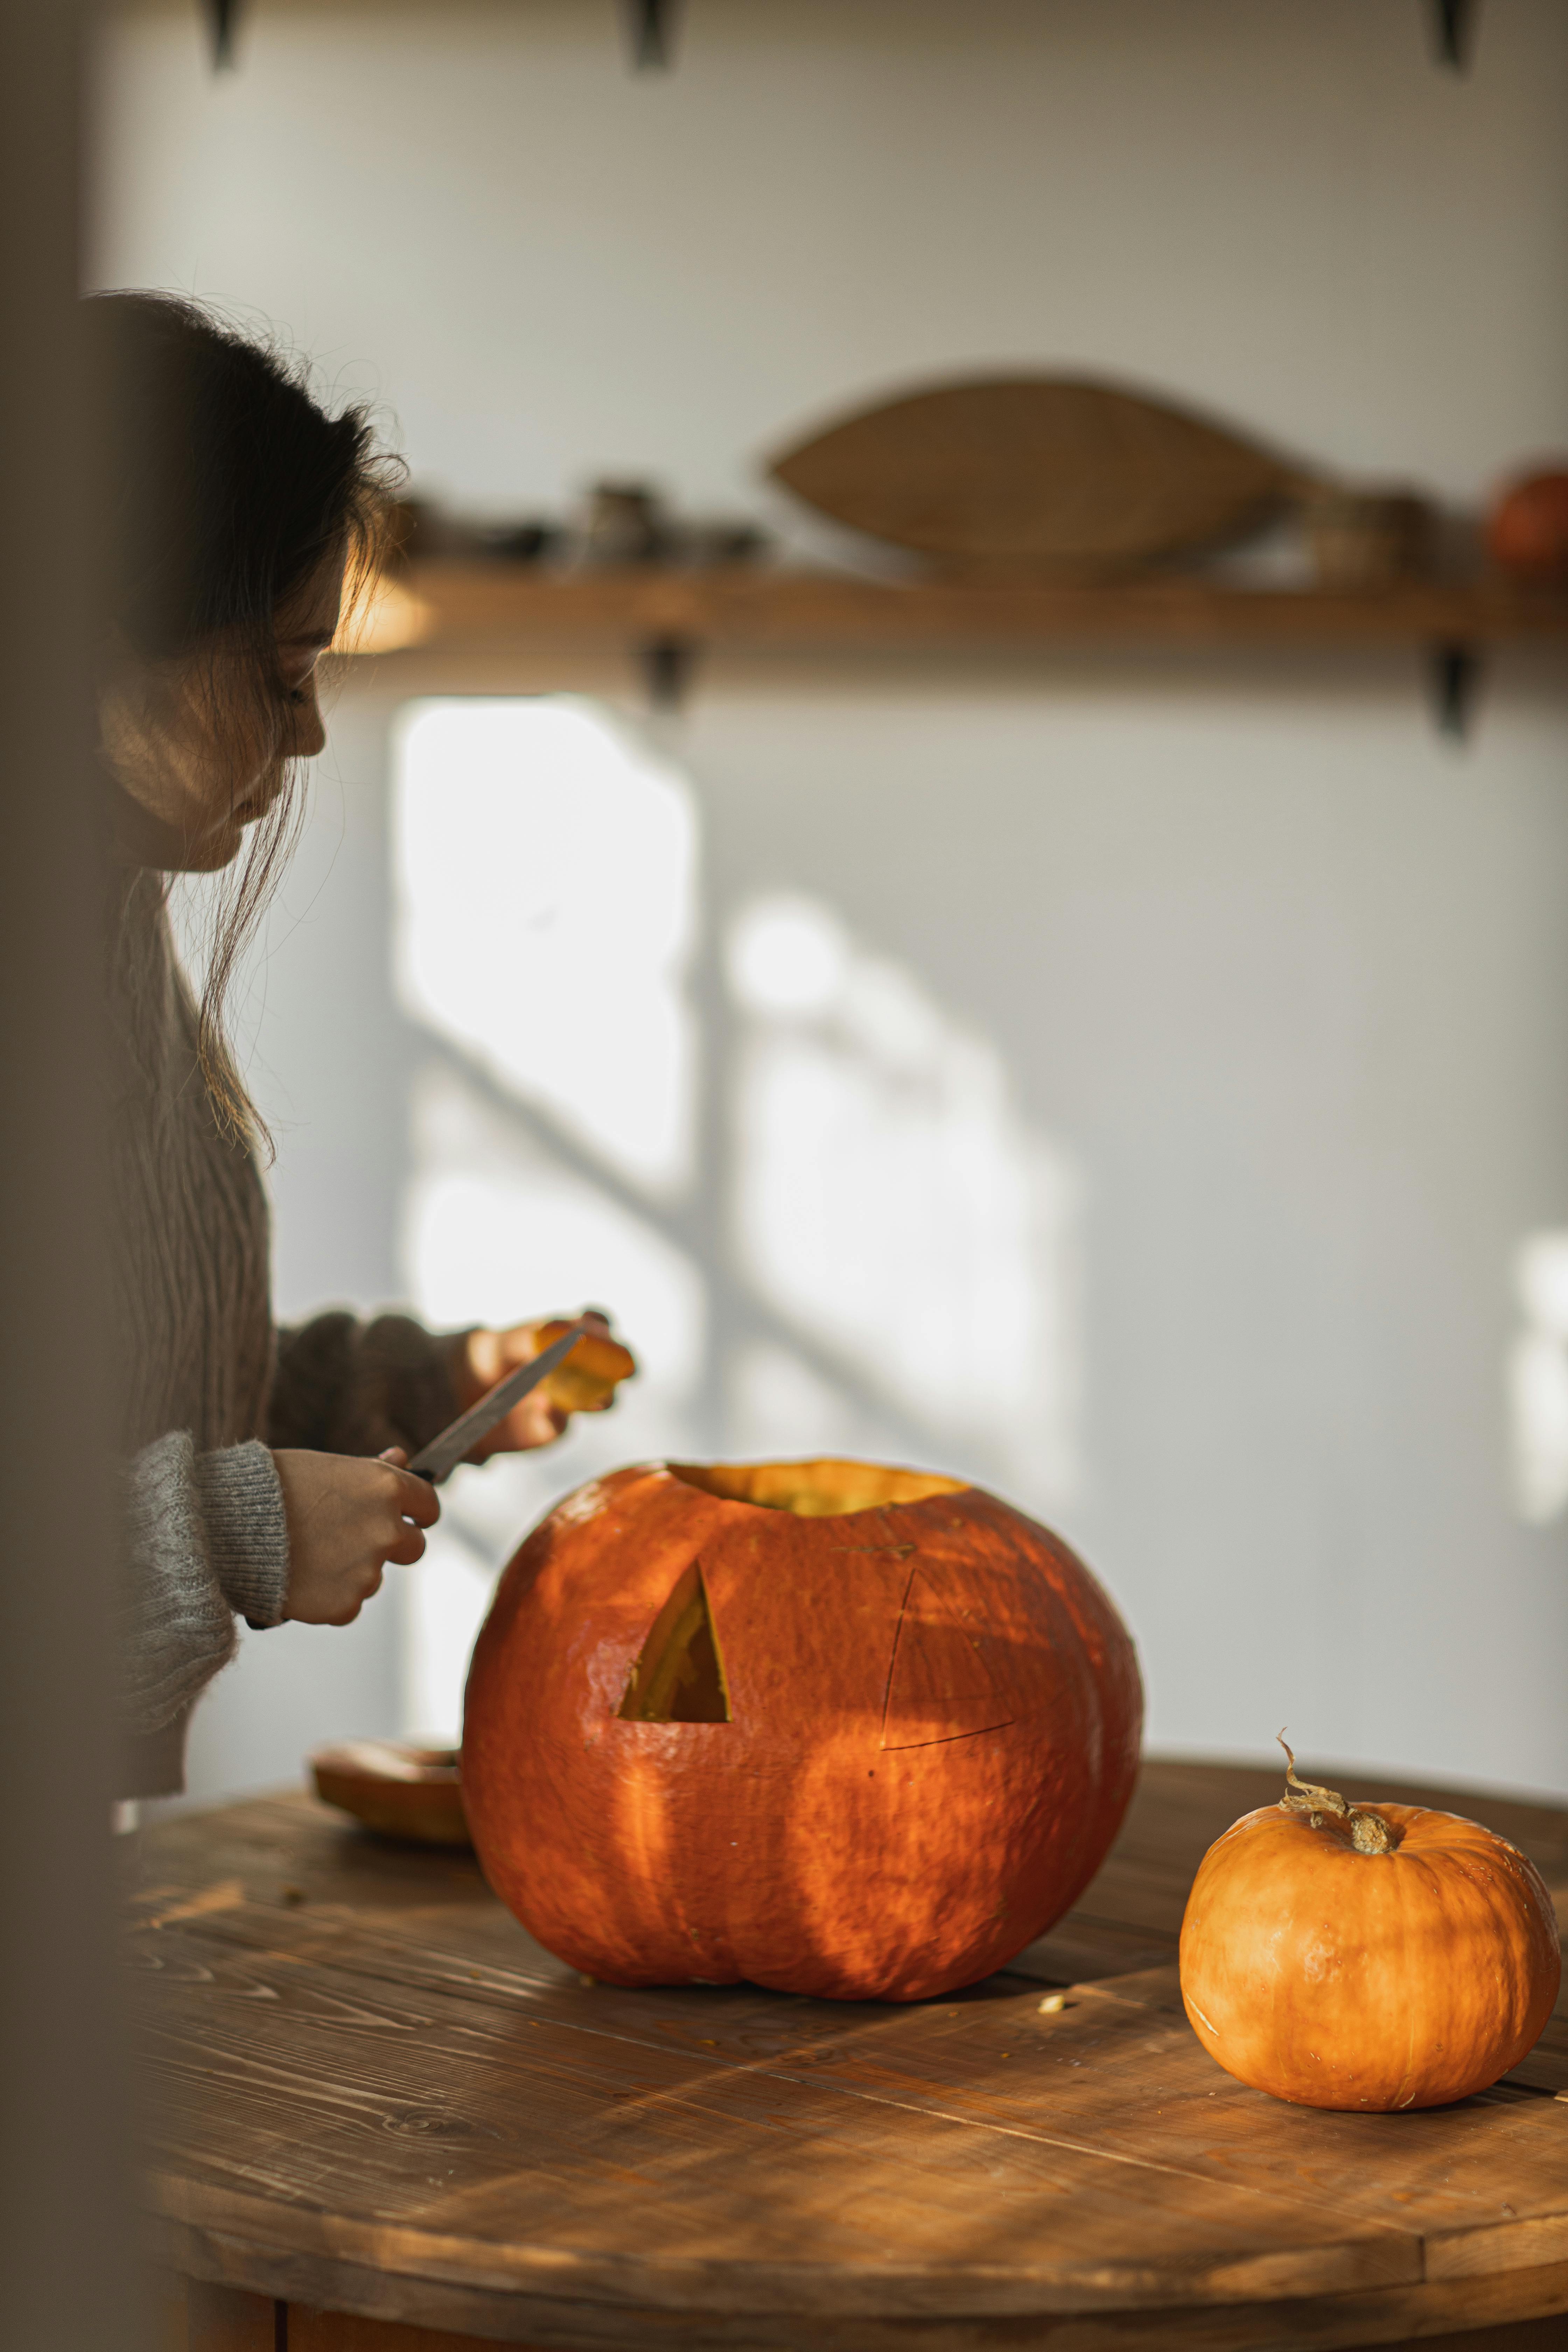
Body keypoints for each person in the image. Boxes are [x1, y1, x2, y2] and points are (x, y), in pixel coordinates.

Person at [96, 292, 613, 1797]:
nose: (308, 735)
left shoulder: (106, 917)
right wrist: (237, 1525)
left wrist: (416, 1382)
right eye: (279, 671)